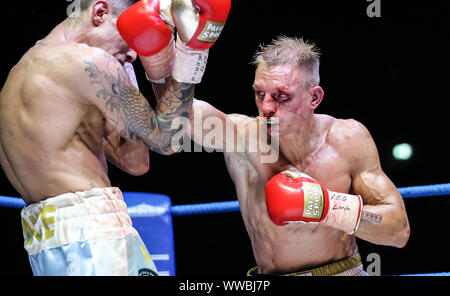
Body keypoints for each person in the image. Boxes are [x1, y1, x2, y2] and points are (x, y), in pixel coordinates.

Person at [0, 0, 230, 276]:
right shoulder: (90, 62)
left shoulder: (17, 77)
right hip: (96, 238)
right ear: (100, 12)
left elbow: (136, 162)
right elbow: (166, 141)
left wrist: (128, 76)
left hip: (46, 246)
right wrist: (191, 54)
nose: (135, 53)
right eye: (132, 38)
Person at [185, 36, 410, 276]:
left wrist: (326, 207)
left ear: (314, 98)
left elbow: (397, 230)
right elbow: (180, 115)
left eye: (281, 96)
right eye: (260, 94)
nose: (267, 107)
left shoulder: (347, 139)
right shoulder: (241, 136)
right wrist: (168, 57)